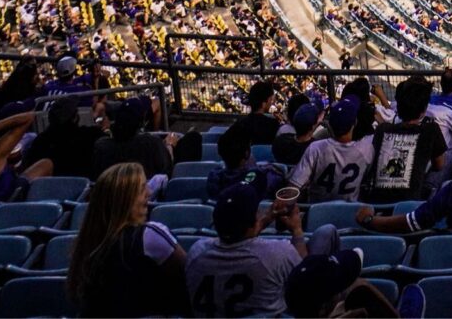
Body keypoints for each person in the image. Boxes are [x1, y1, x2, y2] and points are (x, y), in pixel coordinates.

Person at [70, 162, 190, 318]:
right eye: (141, 188)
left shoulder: (87, 245)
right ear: (123, 199)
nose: (148, 192)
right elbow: (191, 275)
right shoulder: (149, 235)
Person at [185, 184, 308, 317]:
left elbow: (237, 238)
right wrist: (297, 230)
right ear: (252, 220)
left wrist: (264, 220)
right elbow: (306, 276)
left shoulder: (196, 252)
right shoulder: (278, 253)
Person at [292, 99, 372, 201]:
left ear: (330, 125)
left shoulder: (315, 148)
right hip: (350, 213)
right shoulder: (367, 149)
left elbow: (294, 185)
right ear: (355, 123)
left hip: (316, 212)